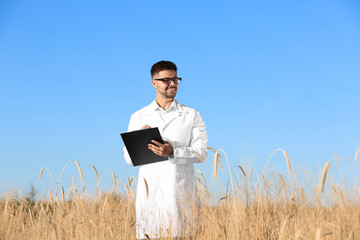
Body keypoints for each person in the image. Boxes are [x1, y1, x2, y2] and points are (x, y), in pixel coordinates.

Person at [123, 60, 208, 239]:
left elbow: (202, 152)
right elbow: (129, 159)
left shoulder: (191, 115)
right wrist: (139, 138)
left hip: (181, 194)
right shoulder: (138, 116)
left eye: (176, 79)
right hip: (150, 196)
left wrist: (173, 152)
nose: (172, 84)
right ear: (154, 83)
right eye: (166, 80)